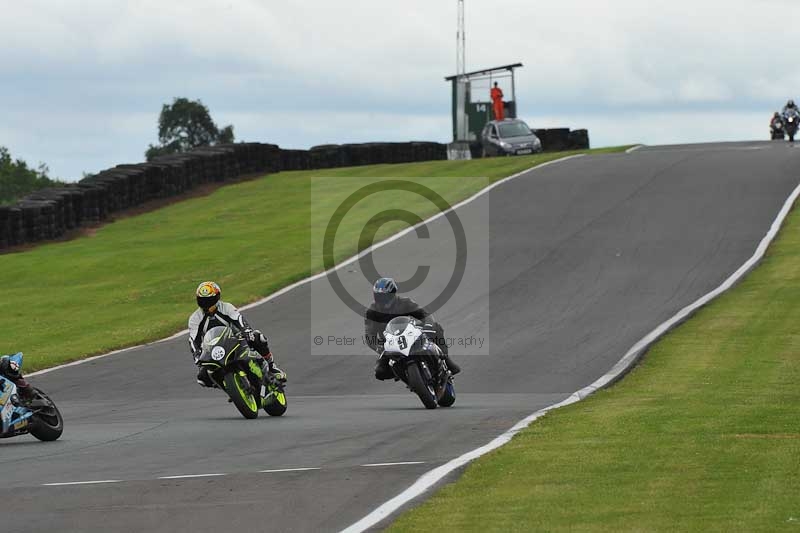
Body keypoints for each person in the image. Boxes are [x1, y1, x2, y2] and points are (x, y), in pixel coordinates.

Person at [188, 281, 285, 387]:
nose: (206, 304)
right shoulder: (195, 318)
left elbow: (239, 320)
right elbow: (193, 340)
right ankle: (229, 387)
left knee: (257, 337)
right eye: (202, 301)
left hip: (235, 340)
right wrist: (197, 355)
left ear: (217, 297)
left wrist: (247, 331)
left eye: (209, 300)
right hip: (214, 350)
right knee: (202, 378)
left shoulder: (226, 307)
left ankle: (272, 367)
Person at [364, 277, 461, 380]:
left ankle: (446, 360)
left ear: (392, 294)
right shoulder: (372, 312)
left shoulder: (405, 302)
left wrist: (428, 326)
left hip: (410, 334)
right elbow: (369, 335)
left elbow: (424, 314)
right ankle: (403, 373)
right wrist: (379, 347)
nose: (382, 300)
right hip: (390, 343)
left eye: (384, 297)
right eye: (379, 297)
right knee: (380, 372)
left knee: (436, 328)